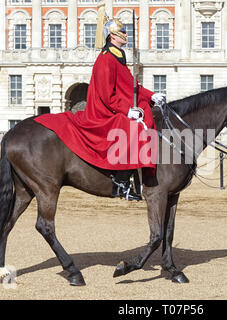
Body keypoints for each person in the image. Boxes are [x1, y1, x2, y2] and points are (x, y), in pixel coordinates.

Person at [34, 7, 165, 201]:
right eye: (122, 31)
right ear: (112, 36)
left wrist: (152, 95)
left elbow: (132, 86)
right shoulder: (106, 60)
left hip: (114, 105)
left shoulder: (118, 57)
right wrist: (127, 111)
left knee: (145, 114)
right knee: (130, 128)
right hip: (103, 110)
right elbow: (105, 95)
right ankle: (121, 182)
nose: (126, 34)